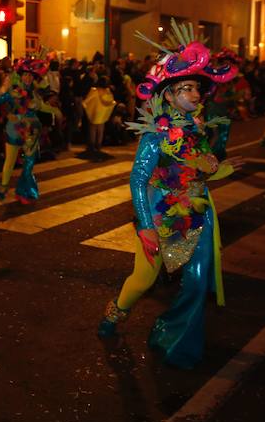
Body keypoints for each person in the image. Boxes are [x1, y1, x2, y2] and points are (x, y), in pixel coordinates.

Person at [96, 21, 240, 369]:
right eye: (186, 88)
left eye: (196, 89)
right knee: (143, 279)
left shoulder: (197, 131)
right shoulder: (155, 136)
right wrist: (145, 226)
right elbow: (137, 180)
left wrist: (220, 169)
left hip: (199, 212)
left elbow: (195, 170)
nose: (194, 95)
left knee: (198, 281)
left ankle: (176, 341)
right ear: (169, 95)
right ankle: (115, 314)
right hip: (161, 214)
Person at [0, 58, 53, 204]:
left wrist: (55, 110)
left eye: (31, 75)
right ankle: (3, 188)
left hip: (32, 129)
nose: (28, 77)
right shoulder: (13, 91)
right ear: (21, 75)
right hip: (14, 129)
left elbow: (42, 107)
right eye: (25, 74)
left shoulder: (36, 94)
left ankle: (24, 191)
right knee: (10, 161)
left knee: (29, 163)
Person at [82, 75, 116, 158]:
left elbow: (86, 101)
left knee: (93, 129)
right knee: (100, 129)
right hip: (103, 113)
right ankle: (99, 146)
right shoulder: (108, 91)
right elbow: (111, 101)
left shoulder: (94, 90)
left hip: (94, 111)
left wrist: (86, 108)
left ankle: (92, 146)